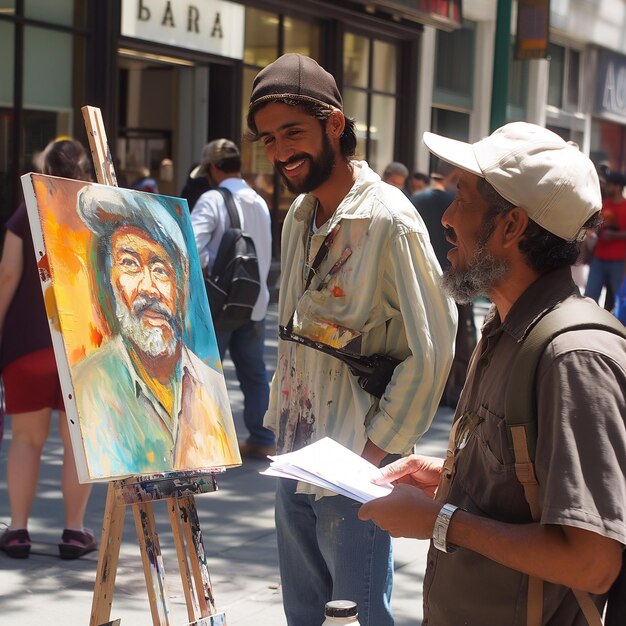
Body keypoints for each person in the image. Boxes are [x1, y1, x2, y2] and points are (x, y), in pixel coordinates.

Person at [359, 122, 626, 624]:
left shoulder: (573, 357)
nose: (447, 218)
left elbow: (592, 562)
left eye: (461, 197)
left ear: (511, 226)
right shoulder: (506, 326)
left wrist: (441, 522)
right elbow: (533, 488)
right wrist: (450, 478)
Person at [246, 53, 457, 626]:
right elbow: (293, 335)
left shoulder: (390, 219)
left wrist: (375, 455)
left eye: (293, 132)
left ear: (334, 125)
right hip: (295, 452)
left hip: (355, 460)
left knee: (357, 616)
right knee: (304, 614)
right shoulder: (297, 216)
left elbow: (433, 347)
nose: (280, 151)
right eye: (268, 139)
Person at [73, 185, 239, 479]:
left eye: (161, 269)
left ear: (181, 284)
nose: (148, 288)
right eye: (129, 264)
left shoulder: (209, 386)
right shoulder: (88, 385)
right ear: (110, 279)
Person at [0, 138, 95, 559]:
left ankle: (18, 530)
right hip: (84, 346)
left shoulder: (29, 210)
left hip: (28, 343)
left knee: (25, 439)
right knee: (77, 441)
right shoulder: (98, 211)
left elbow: (7, 274)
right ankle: (73, 532)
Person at [189, 138, 274, 459]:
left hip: (219, 304)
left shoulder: (211, 199)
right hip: (254, 301)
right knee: (254, 374)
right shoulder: (259, 201)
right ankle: (262, 437)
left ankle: (204, 443)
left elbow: (191, 247)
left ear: (212, 168)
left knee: (206, 372)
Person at [413, 170, 476, 407]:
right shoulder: (453, 202)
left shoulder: (417, 200)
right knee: (460, 334)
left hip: (426, 276)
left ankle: (433, 391)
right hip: (455, 272)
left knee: (428, 335)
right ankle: (455, 389)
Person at [584, 170, 626, 311]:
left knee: (618, 299)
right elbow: (595, 226)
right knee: (589, 298)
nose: (607, 187)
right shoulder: (603, 204)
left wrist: (615, 236)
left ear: (618, 186)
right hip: (599, 258)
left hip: (619, 261)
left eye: (610, 185)